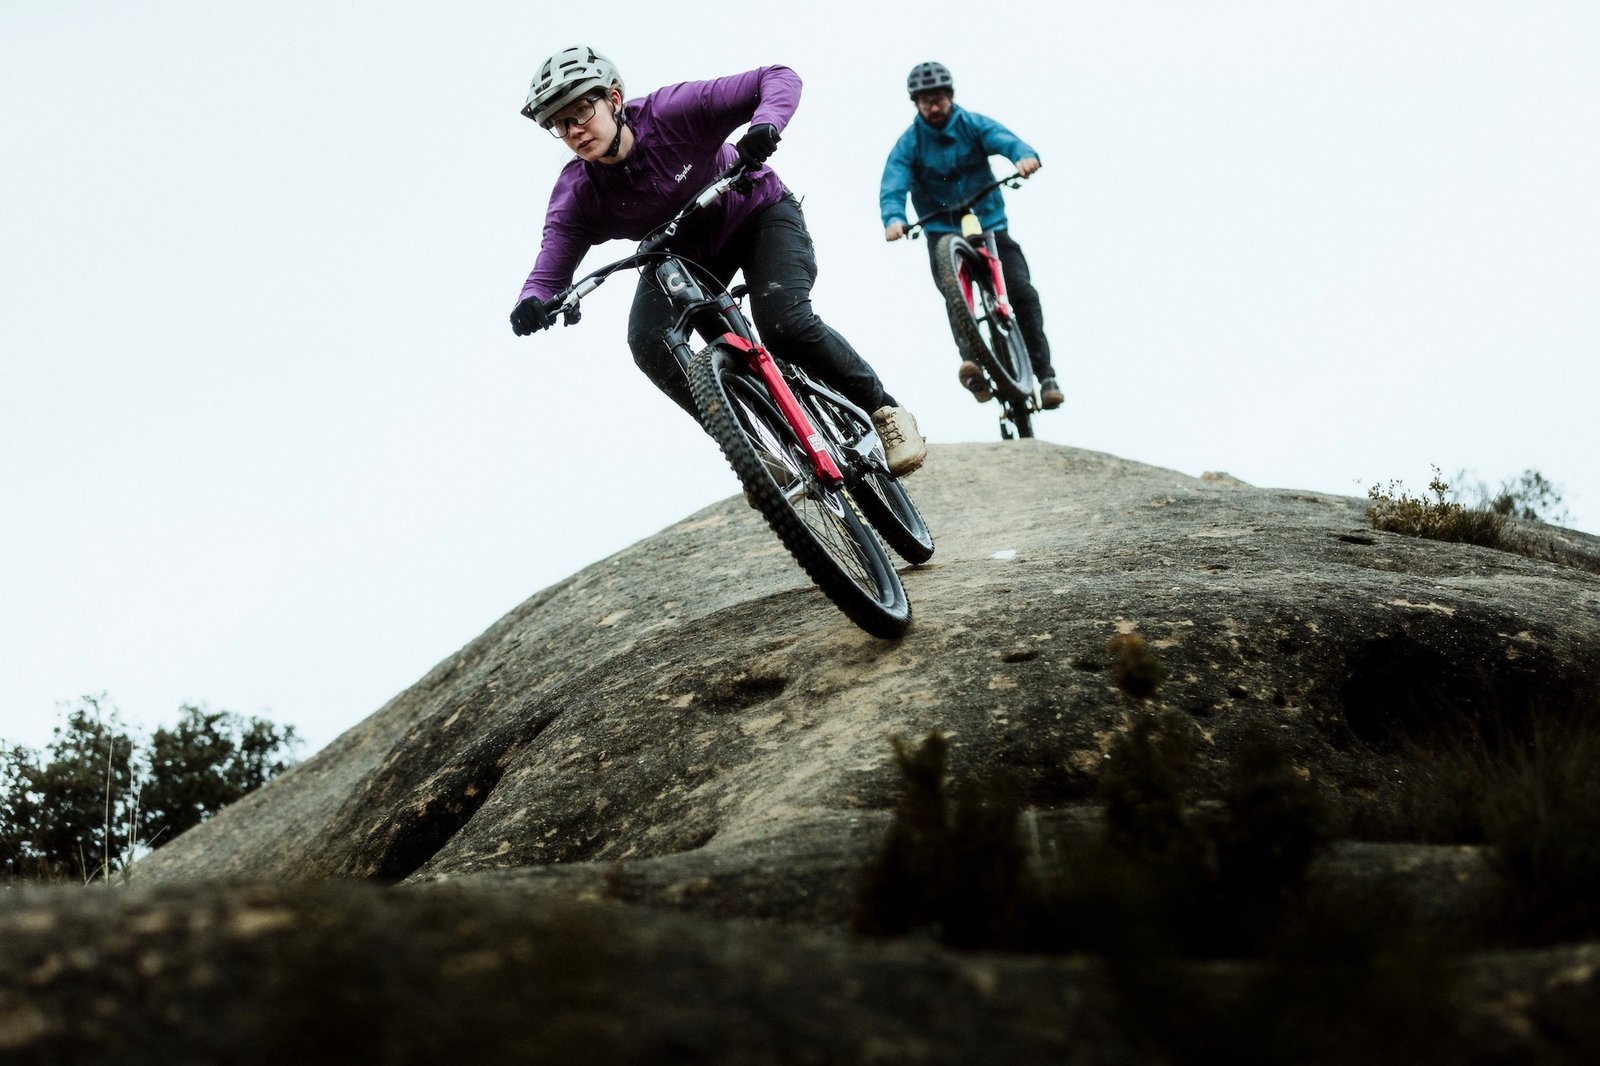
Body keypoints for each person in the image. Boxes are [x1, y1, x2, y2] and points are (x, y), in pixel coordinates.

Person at [510, 46, 927, 477]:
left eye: (580, 111)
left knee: (783, 323)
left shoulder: (671, 113)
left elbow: (778, 76)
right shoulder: (579, 192)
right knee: (648, 342)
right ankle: (752, 452)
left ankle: (884, 410)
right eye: (560, 124)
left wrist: (766, 124)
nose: (574, 130)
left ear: (614, 100)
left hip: (755, 213)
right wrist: (533, 300)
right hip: (678, 255)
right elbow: (553, 259)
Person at [880, 61, 1063, 411]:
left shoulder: (972, 124)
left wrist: (1023, 156)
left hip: (988, 221)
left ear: (950, 97)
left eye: (939, 99)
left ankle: (1046, 375)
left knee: (1022, 291)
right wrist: (894, 218)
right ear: (915, 104)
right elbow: (894, 180)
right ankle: (973, 366)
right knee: (954, 295)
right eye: (925, 101)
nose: (933, 108)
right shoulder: (910, 143)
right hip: (940, 227)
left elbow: (1005, 140)